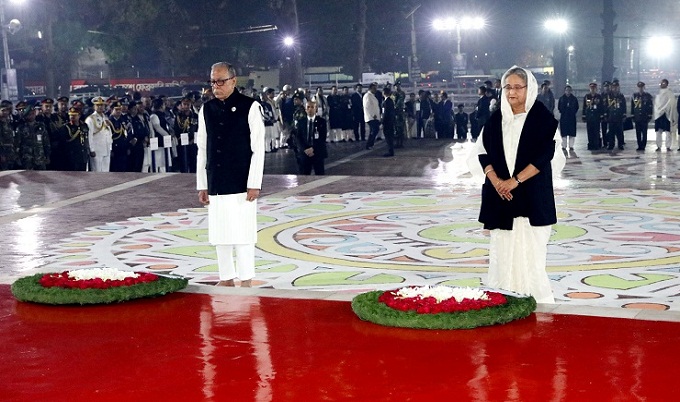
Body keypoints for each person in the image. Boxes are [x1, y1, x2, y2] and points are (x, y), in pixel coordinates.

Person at [467, 65, 566, 304]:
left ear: (529, 89)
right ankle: (502, 303)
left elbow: (545, 157)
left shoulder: (543, 119)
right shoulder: (496, 120)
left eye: (517, 87)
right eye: (507, 87)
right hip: (501, 200)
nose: (512, 92)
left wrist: (515, 181)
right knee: (502, 255)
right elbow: (482, 153)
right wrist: (497, 182)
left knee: (531, 256)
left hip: (532, 199)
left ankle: (537, 305)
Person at [196, 61, 265, 287]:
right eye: (213, 81)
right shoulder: (207, 109)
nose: (216, 86)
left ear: (233, 81)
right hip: (216, 180)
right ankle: (226, 277)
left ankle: (246, 278)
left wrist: (254, 182)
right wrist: (202, 184)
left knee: (243, 232)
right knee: (220, 232)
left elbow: (258, 148)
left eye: (221, 81)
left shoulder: (250, 107)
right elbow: (203, 149)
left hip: (241, 180)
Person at [293, 99, 327, 174]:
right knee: (304, 175)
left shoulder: (322, 122)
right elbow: (298, 137)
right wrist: (305, 149)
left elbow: (322, 137)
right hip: (305, 153)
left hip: (317, 153)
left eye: (312, 107)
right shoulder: (301, 122)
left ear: (316, 109)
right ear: (305, 109)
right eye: (308, 107)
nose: (310, 109)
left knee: (319, 174)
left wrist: (313, 149)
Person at [57, 107, 90, 171]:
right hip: (71, 156)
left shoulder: (84, 125)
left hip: (82, 155)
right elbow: (62, 143)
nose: (72, 117)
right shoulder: (65, 128)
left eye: (75, 115)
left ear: (79, 115)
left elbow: (86, 138)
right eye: (71, 115)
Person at [85, 96, 112, 172]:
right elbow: (89, 135)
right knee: (97, 172)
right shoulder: (90, 119)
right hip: (97, 150)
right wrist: (91, 149)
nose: (100, 107)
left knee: (106, 171)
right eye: (98, 105)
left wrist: (110, 147)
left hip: (106, 149)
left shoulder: (105, 117)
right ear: (94, 106)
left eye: (102, 105)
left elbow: (108, 133)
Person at [604, 80, 626, 150]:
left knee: (620, 132)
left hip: (619, 116)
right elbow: (606, 106)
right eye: (613, 87)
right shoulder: (609, 96)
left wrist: (624, 115)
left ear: (618, 87)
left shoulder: (621, 96)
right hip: (611, 116)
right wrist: (605, 115)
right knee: (611, 132)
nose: (615, 88)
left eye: (616, 87)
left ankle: (620, 144)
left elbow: (623, 106)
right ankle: (611, 144)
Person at [654, 78, 676, 152]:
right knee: (658, 132)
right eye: (661, 83)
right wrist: (658, 110)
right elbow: (656, 103)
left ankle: (668, 146)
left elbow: (671, 103)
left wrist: (666, 109)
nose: (662, 84)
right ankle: (658, 146)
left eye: (664, 83)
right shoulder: (657, 93)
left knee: (668, 132)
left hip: (667, 114)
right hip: (658, 114)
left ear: (667, 84)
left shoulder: (670, 93)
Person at [631, 81, 653, 151]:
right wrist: (632, 115)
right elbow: (633, 106)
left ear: (644, 87)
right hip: (637, 116)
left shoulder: (647, 96)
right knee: (638, 132)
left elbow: (650, 106)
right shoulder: (634, 95)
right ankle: (639, 145)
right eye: (639, 87)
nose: (640, 89)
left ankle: (643, 145)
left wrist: (650, 115)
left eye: (642, 87)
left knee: (644, 132)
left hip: (644, 116)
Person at [582, 82, 603, 150]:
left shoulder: (599, 97)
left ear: (596, 89)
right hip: (589, 117)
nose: (593, 89)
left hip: (596, 116)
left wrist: (602, 115)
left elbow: (601, 107)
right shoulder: (587, 96)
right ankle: (590, 144)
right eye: (591, 88)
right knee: (590, 131)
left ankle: (596, 144)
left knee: (596, 131)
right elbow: (584, 106)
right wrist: (584, 116)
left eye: (594, 88)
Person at [557, 85, 579, 150]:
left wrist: (572, 111)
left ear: (571, 91)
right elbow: (559, 107)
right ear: (565, 91)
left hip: (572, 118)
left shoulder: (574, 99)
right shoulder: (561, 98)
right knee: (564, 132)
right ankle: (564, 146)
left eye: (569, 90)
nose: (568, 91)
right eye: (566, 90)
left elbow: (576, 107)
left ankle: (571, 146)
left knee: (572, 132)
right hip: (564, 117)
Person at [363, 82, 381, 150]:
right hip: (371, 117)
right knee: (374, 130)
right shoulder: (367, 96)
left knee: (374, 130)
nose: (375, 90)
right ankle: (369, 144)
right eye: (374, 88)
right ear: (370, 88)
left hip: (375, 116)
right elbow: (368, 107)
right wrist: (373, 115)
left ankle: (371, 144)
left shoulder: (372, 95)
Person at [381, 86, 395, 157]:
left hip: (387, 122)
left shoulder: (386, 102)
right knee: (390, 136)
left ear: (384, 93)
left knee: (388, 136)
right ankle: (391, 150)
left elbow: (385, 113)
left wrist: (382, 122)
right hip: (391, 121)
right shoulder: (391, 101)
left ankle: (390, 151)